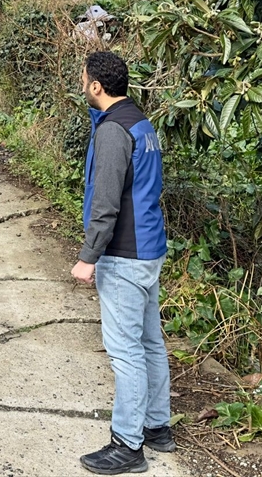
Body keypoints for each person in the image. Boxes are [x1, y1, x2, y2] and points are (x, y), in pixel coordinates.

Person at [71, 51, 173, 475]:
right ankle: (157, 426)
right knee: (150, 341)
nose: (81, 84)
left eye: (84, 78)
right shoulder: (141, 122)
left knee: (125, 351)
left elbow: (106, 201)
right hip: (150, 248)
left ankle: (128, 445)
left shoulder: (113, 131)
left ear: (96, 85)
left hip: (124, 254)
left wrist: (88, 256)